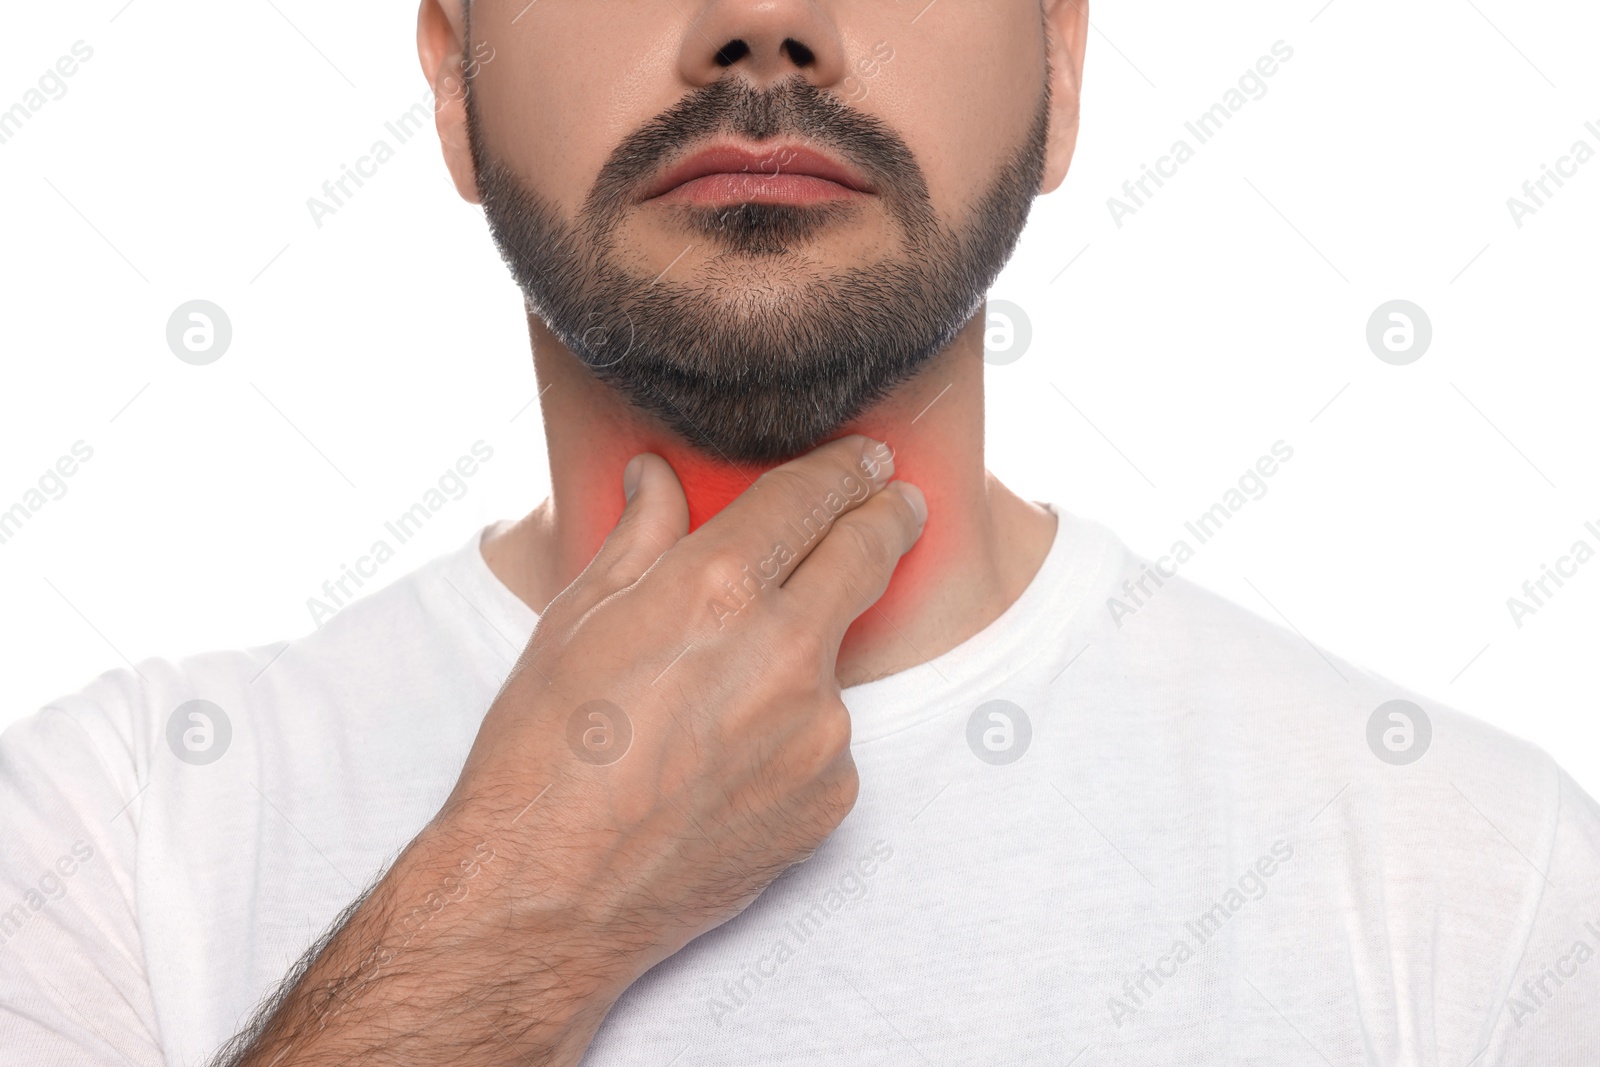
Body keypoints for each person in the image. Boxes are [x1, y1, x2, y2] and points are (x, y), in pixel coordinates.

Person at [3, 1, 1596, 1064]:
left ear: (1060, 69)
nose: (763, 23)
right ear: (450, 76)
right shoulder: (105, 843)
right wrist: (525, 910)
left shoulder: (1479, 881)